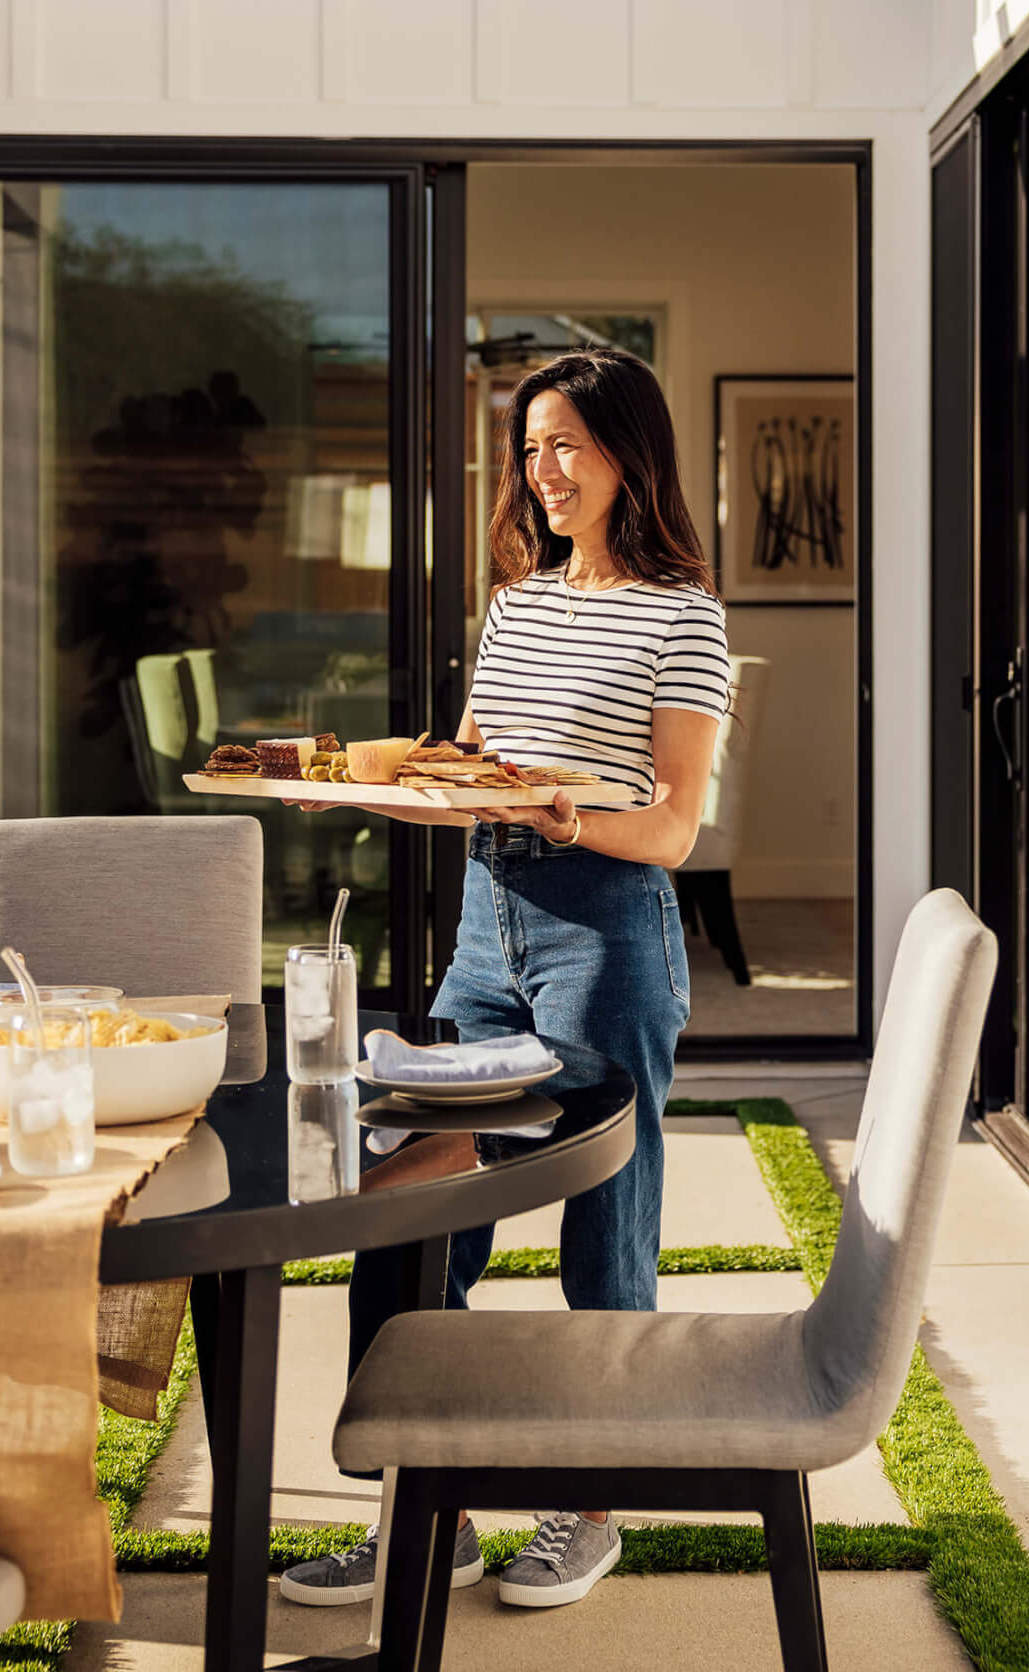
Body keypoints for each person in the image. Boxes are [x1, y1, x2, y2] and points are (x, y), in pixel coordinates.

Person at [279, 346, 730, 1617]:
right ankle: (427, 1502)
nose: (543, 471)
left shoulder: (682, 615)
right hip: (488, 921)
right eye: (530, 446)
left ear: (629, 457)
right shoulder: (516, 601)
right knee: (416, 1204)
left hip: (606, 929)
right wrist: (385, 779)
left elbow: (675, 826)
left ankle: (587, 1508)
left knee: (605, 1218)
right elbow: (481, 758)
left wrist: (556, 811)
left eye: (568, 445)